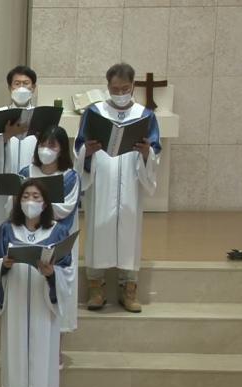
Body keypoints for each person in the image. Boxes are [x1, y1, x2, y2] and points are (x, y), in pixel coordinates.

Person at [0, 179, 71, 387]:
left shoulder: (57, 232)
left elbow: (68, 271)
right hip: (16, 304)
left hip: (44, 305)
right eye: (25, 196)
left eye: (36, 196)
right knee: (16, 358)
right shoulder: (6, 230)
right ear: (18, 201)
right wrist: (3, 265)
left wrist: (52, 273)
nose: (30, 201)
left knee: (42, 360)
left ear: (45, 203)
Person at [74, 63, 161, 313]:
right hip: (101, 180)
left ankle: (128, 288)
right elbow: (79, 146)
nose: (120, 93)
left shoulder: (145, 115)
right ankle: (96, 287)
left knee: (129, 232)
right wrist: (87, 151)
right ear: (107, 86)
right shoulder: (94, 112)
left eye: (125, 88)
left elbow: (155, 150)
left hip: (131, 182)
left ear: (133, 86)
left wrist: (147, 152)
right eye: (115, 89)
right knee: (98, 228)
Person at [18, 126, 80, 337]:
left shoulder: (69, 177)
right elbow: (16, 204)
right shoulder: (26, 173)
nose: (46, 149)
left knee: (56, 288)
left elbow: (65, 209)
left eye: (52, 145)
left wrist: (37, 206)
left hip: (55, 240)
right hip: (27, 238)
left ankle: (57, 342)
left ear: (62, 150)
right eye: (42, 144)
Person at [0, 65, 40, 275]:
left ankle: (26, 277)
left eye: (26, 84)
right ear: (9, 87)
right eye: (17, 84)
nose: (21, 88)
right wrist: (5, 136)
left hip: (33, 188)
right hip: (4, 187)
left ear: (33, 87)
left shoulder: (41, 116)